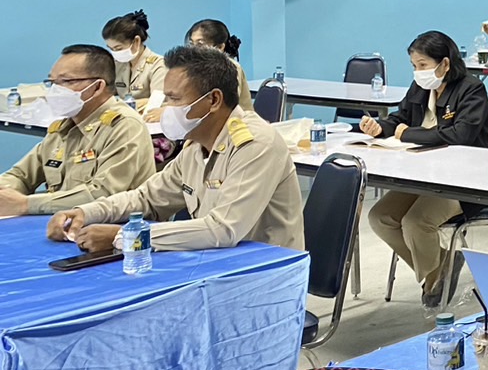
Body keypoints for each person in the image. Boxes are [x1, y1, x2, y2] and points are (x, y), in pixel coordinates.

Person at [47, 45, 303, 251]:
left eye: (174, 98)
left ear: (213, 100)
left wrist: (124, 235)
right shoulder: (196, 144)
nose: (165, 109)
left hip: (262, 275)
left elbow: (223, 229)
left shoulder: (255, 144)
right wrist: (85, 212)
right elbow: (146, 197)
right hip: (213, 263)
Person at [362, 31, 488, 311]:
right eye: (414, 66)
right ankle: (442, 265)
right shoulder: (421, 89)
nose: (418, 72)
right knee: (380, 217)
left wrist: (408, 134)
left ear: (444, 64)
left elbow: (459, 134)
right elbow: (400, 119)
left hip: (465, 181)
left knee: (416, 223)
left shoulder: (471, 90)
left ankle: (435, 280)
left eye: (423, 65)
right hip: (423, 175)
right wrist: (381, 127)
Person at [0, 45, 154, 216]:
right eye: (52, 83)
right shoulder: (63, 127)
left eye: (66, 81)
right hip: (62, 223)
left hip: (114, 231)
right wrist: (5, 191)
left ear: (97, 87)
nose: (56, 90)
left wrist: (25, 204)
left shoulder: (124, 126)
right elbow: (21, 175)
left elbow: (103, 194)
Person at [102, 9, 167, 119]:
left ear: (136, 41)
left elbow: (157, 102)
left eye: (118, 48)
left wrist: (121, 105)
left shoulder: (159, 65)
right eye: (111, 49)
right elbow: (106, 96)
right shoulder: (117, 65)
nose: (115, 53)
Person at [186, 19, 253, 107]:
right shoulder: (193, 67)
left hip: (236, 119)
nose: (193, 50)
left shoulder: (231, 68)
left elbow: (226, 106)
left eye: (199, 44)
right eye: (191, 44)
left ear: (220, 47)